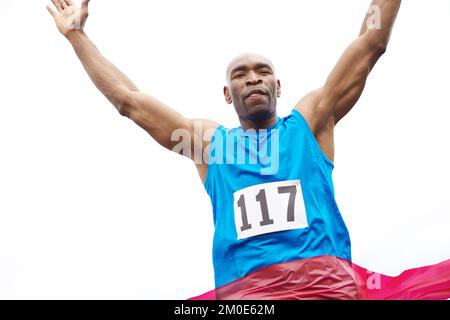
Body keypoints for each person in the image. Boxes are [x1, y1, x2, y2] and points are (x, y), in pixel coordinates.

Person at [48, 0, 449, 300]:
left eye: (263, 72)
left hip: (324, 289)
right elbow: (129, 102)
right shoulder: (209, 145)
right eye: (240, 75)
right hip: (247, 298)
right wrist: (76, 36)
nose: (253, 79)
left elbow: (371, 42)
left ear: (278, 87)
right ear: (227, 94)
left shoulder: (311, 123)